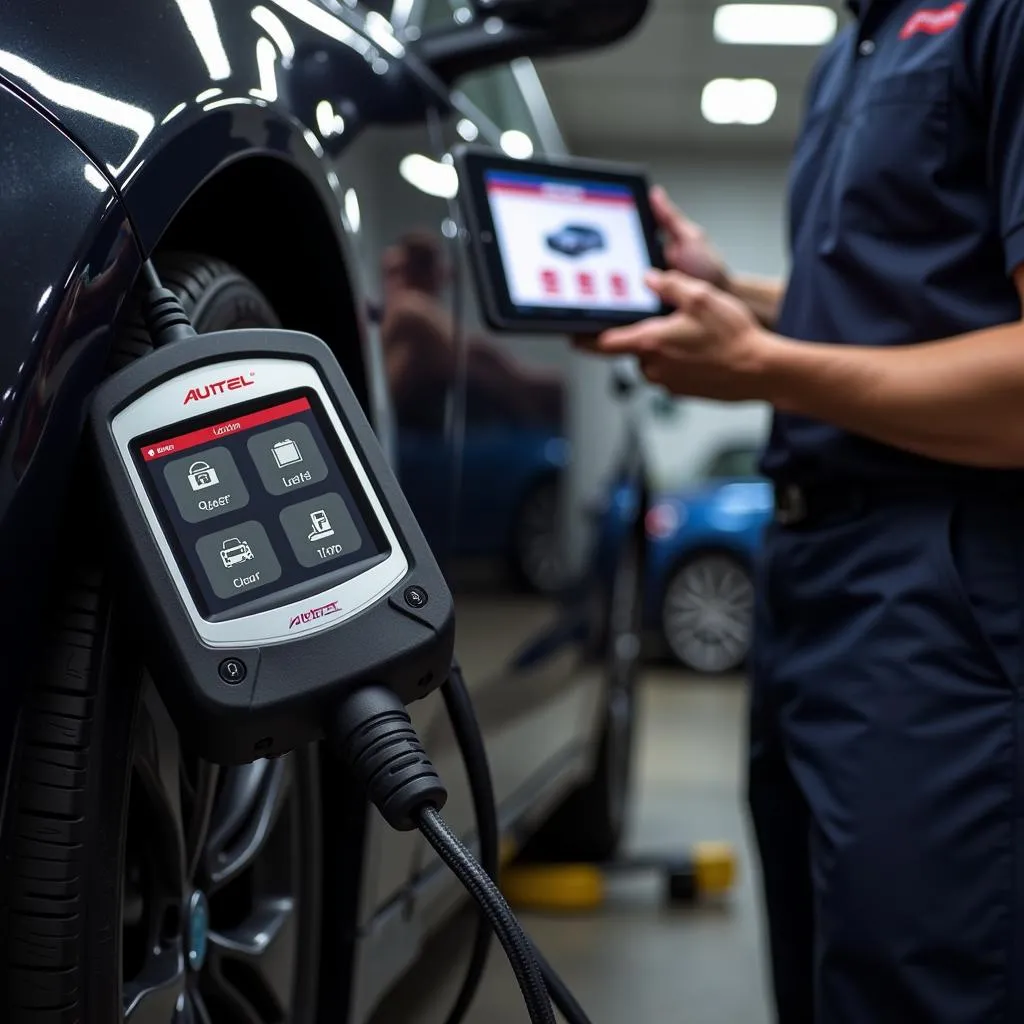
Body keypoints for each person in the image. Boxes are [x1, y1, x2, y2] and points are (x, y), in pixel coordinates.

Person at [580, 3, 1024, 1022]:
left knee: (918, 986)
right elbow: (895, 309)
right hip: (813, 577)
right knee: (826, 971)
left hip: (939, 577)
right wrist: (726, 291)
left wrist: (763, 368)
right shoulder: (852, 45)